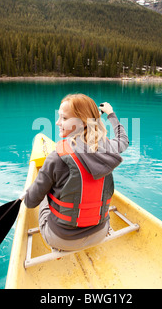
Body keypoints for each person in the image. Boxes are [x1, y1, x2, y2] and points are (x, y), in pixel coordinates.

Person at [20, 94, 129, 251]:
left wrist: (32, 190)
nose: (57, 123)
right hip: (100, 233)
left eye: (63, 118)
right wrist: (111, 114)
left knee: (43, 192)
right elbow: (124, 140)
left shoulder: (56, 157)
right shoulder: (108, 148)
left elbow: (30, 202)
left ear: (82, 122)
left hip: (61, 240)